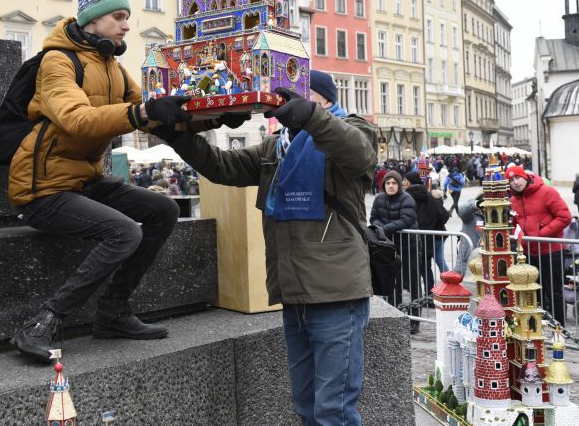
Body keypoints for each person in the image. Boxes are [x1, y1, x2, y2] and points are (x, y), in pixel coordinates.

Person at [156, 70, 376, 426]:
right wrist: (176, 136)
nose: (281, 102)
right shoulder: (279, 145)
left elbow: (360, 154)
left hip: (337, 295)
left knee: (334, 410)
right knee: (306, 406)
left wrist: (311, 118)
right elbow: (223, 167)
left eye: (295, 95)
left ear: (321, 99)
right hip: (293, 293)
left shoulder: (350, 128)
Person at [8, 0, 195, 363]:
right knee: (123, 231)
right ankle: (42, 322)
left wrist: (207, 116)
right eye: (120, 17)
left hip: (84, 181)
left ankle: (112, 312)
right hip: (44, 188)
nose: (128, 25)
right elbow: (77, 119)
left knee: (164, 209)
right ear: (93, 20)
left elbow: (151, 110)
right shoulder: (57, 61)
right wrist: (141, 111)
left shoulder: (111, 65)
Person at [506, 165, 571, 327]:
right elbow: (515, 224)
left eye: (518, 178)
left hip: (551, 251)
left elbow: (564, 217)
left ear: (525, 177)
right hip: (530, 252)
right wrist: (517, 234)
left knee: (554, 291)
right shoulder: (514, 200)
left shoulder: (547, 192)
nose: (516, 182)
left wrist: (540, 235)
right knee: (535, 292)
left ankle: (559, 328)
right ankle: (537, 328)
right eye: (511, 180)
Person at [370, 169, 419, 332]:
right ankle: (395, 315)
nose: (391, 186)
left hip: (408, 247)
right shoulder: (379, 199)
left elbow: (406, 219)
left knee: (412, 283)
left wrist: (384, 229)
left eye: (394, 183)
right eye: (388, 183)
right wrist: (381, 228)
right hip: (389, 249)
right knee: (392, 283)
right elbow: (373, 217)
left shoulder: (407, 198)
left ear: (399, 184)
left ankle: (414, 318)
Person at [403, 172, 450, 293]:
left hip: (421, 237)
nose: (402, 183)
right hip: (436, 235)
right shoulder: (428, 194)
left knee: (424, 266)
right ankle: (449, 285)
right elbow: (443, 215)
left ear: (408, 182)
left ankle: (428, 292)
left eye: (404, 181)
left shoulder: (407, 197)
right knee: (439, 261)